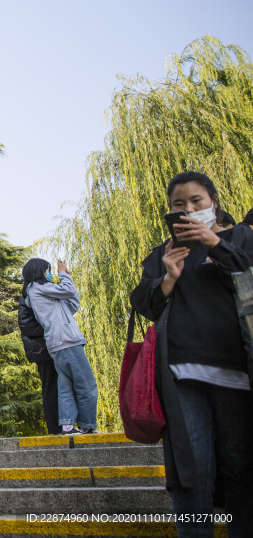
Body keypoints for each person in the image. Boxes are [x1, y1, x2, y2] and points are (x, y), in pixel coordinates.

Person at [129, 171, 253, 538]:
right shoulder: (164, 253)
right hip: (181, 373)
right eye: (178, 205)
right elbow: (143, 304)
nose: (188, 209)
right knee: (192, 466)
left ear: (213, 202)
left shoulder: (242, 237)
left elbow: (247, 273)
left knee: (240, 464)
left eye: (196, 201)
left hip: (238, 371)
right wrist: (168, 277)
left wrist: (215, 243)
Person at [22, 257, 99, 434]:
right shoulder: (41, 288)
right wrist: (63, 274)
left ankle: (67, 424)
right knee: (87, 384)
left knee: (66, 385)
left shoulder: (37, 292)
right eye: (46, 270)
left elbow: (71, 304)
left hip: (56, 344)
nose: (49, 273)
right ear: (38, 271)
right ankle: (88, 425)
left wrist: (68, 279)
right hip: (67, 341)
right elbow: (67, 291)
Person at [18, 294, 60, 434]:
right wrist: (52, 327)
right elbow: (26, 325)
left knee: (62, 387)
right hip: (42, 350)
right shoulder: (27, 297)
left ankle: (66, 423)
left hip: (56, 346)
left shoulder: (45, 293)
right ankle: (55, 427)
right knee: (51, 388)